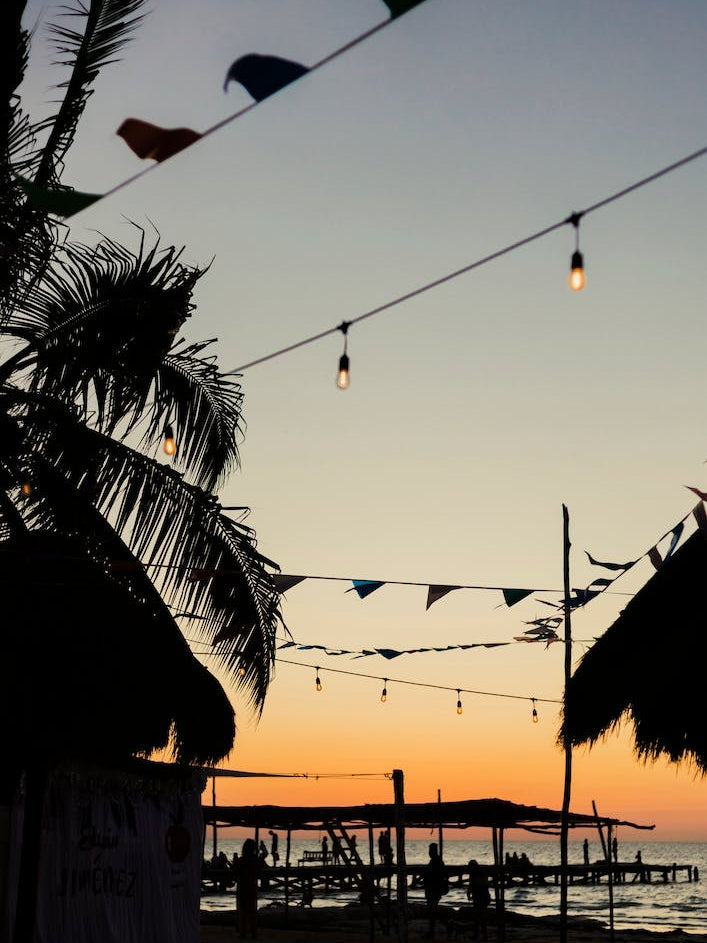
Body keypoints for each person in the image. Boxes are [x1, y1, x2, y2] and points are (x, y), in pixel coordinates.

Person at [235, 838, 262, 939]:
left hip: (243, 886)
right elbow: (259, 870)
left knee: (243, 910)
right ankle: (253, 932)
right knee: (251, 910)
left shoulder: (242, 860)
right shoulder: (255, 860)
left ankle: (243, 932)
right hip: (251, 886)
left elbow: (237, 872)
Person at [423, 841, 448, 939]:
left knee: (432, 911)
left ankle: (432, 932)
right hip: (434, 889)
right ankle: (432, 931)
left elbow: (435, 875)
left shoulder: (436, 861)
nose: (429, 852)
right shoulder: (437, 861)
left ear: (433, 851)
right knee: (432, 911)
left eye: (430, 850)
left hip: (434, 890)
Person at [467, 860, 491, 941]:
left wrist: (469, 893)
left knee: (479, 917)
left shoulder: (476, 874)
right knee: (479, 917)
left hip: (480, 897)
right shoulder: (481, 873)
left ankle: (482, 935)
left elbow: (473, 885)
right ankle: (480, 935)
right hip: (482, 897)